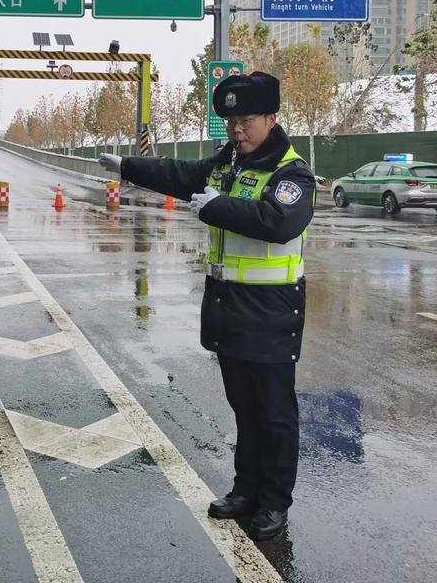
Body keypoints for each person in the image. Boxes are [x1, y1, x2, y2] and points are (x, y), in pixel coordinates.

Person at [98, 71, 314, 541]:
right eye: (232, 121)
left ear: (272, 118)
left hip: (273, 311)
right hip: (231, 308)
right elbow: (179, 174)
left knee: (274, 413)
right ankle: (245, 490)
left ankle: (274, 502)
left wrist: (216, 207)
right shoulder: (226, 165)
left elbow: (278, 222)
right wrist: (127, 167)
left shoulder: (292, 173)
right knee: (243, 407)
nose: (238, 130)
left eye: (248, 120)